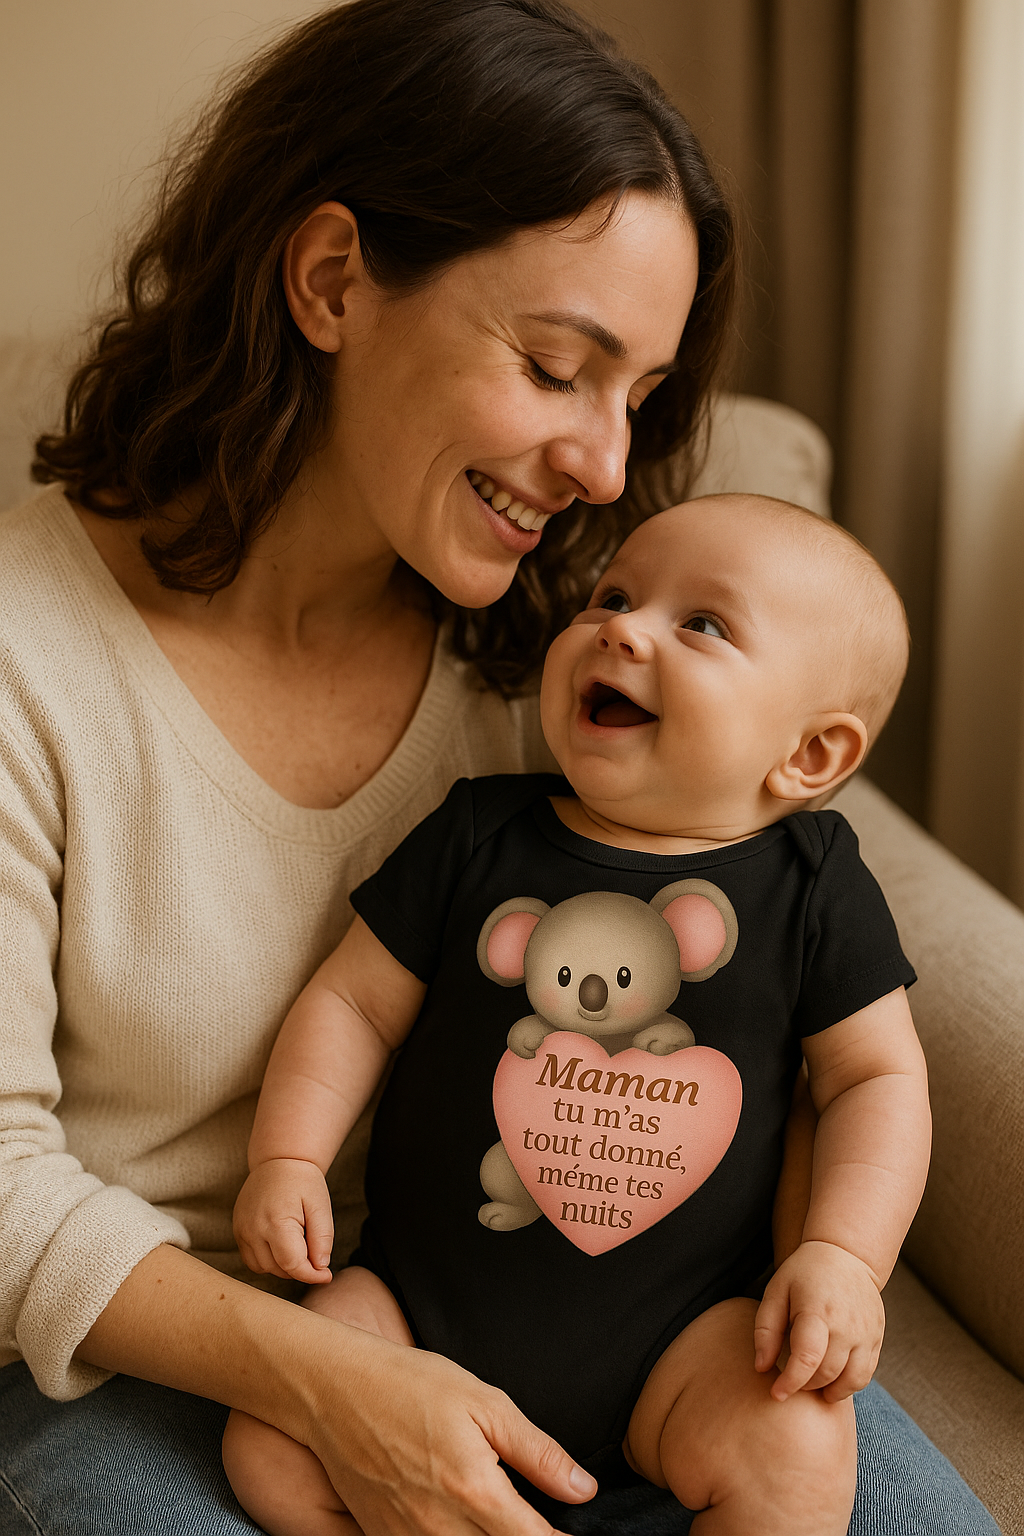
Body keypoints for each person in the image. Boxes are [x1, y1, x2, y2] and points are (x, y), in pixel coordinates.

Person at [0, 1, 999, 1533]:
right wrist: (336, 1387)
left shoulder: (556, 665)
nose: (606, 467)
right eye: (555, 366)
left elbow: (794, 995)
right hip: (150, 1346)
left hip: (612, 1322)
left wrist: (818, 1259)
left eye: (640, 398)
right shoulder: (27, 655)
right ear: (334, 280)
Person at [224, 495, 929, 1536]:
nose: (623, 628)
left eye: (703, 624)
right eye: (614, 595)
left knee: (798, 1447)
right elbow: (352, 1004)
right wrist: (286, 1158)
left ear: (810, 756)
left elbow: (874, 1078)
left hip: (679, 1346)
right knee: (269, 1445)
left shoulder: (812, 885)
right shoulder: (479, 831)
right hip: (420, 1311)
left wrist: (842, 1256)